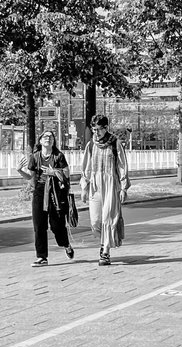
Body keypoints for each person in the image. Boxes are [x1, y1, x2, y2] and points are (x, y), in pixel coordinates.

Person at [17, 130, 74, 267]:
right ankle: (42, 257)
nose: (48, 138)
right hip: (40, 192)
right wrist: (20, 170)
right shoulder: (35, 157)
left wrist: (53, 172)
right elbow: (31, 178)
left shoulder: (58, 156)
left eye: (51, 137)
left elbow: (67, 175)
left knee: (57, 226)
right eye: (45, 136)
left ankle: (66, 244)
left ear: (53, 141)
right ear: (40, 140)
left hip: (55, 193)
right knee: (39, 226)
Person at [80, 114, 130, 266]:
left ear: (106, 128)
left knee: (108, 218)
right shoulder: (91, 145)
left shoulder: (115, 143)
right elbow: (86, 168)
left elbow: (122, 166)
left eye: (99, 129)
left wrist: (123, 187)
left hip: (111, 184)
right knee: (96, 221)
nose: (96, 133)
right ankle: (106, 240)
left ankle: (105, 250)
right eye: (94, 129)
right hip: (95, 185)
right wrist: (84, 187)